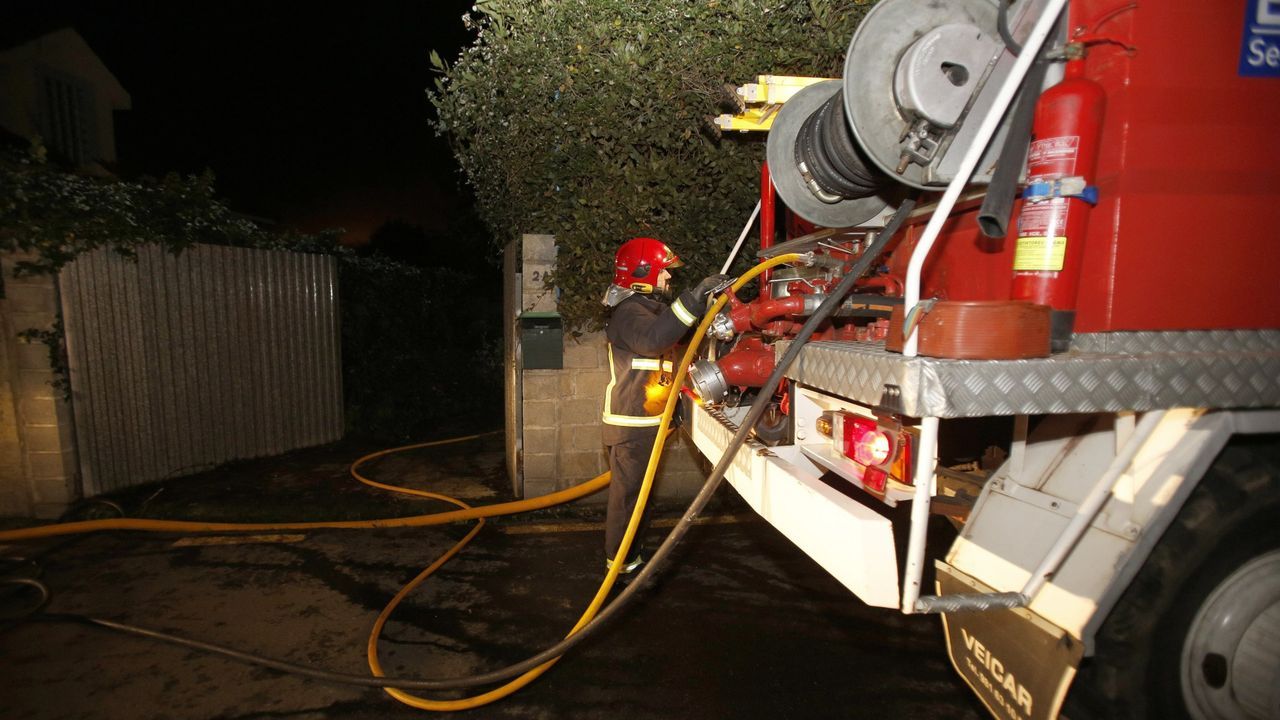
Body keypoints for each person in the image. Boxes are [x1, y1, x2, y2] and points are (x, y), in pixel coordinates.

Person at [600, 236, 727, 576]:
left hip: (647, 424)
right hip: (631, 426)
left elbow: (670, 338)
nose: (669, 278)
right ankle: (621, 567)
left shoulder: (647, 311)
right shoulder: (628, 312)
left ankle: (632, 556)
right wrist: (694, 297)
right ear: (642, 272)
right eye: (664, 272)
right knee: (629, 501)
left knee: (640, 499)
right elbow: (654, 340)